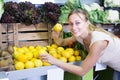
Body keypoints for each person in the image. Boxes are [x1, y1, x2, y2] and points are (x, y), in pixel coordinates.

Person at [39, 9, 120, 80]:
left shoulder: (98, 42)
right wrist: (56, 37)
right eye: (71, 24)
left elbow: (82, 71)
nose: (74, 27)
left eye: (78, 23)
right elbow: (62, 42)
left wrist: (54, 61)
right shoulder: (79, 36)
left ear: (87, 23)